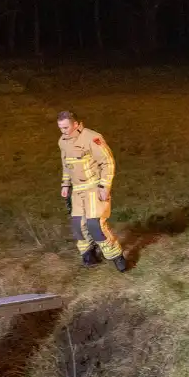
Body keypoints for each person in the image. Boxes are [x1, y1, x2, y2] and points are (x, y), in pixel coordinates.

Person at [57, 111, 127, 272]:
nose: (63, 131)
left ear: (75, 124)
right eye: (60, 128)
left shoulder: (92, 138)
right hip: (77, 191)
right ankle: (89, 255)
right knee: (78, 225)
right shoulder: (62, 142)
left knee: (95, 225)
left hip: (94, 188)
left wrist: (104, 186)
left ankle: (116, 257)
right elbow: (66, 165)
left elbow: (107, 162)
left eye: (66, 127)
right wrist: (65, 184)